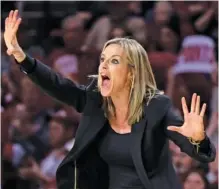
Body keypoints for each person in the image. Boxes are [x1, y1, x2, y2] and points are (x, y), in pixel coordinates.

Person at [3, 10, 216, 189]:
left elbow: (203, 154)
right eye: (103, 59)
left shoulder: (156, 109)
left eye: (114, 61)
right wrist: (21, 56)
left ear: (132, 72)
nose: (103, 66)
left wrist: (198, 140)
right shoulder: (95, 101)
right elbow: (58, 85)